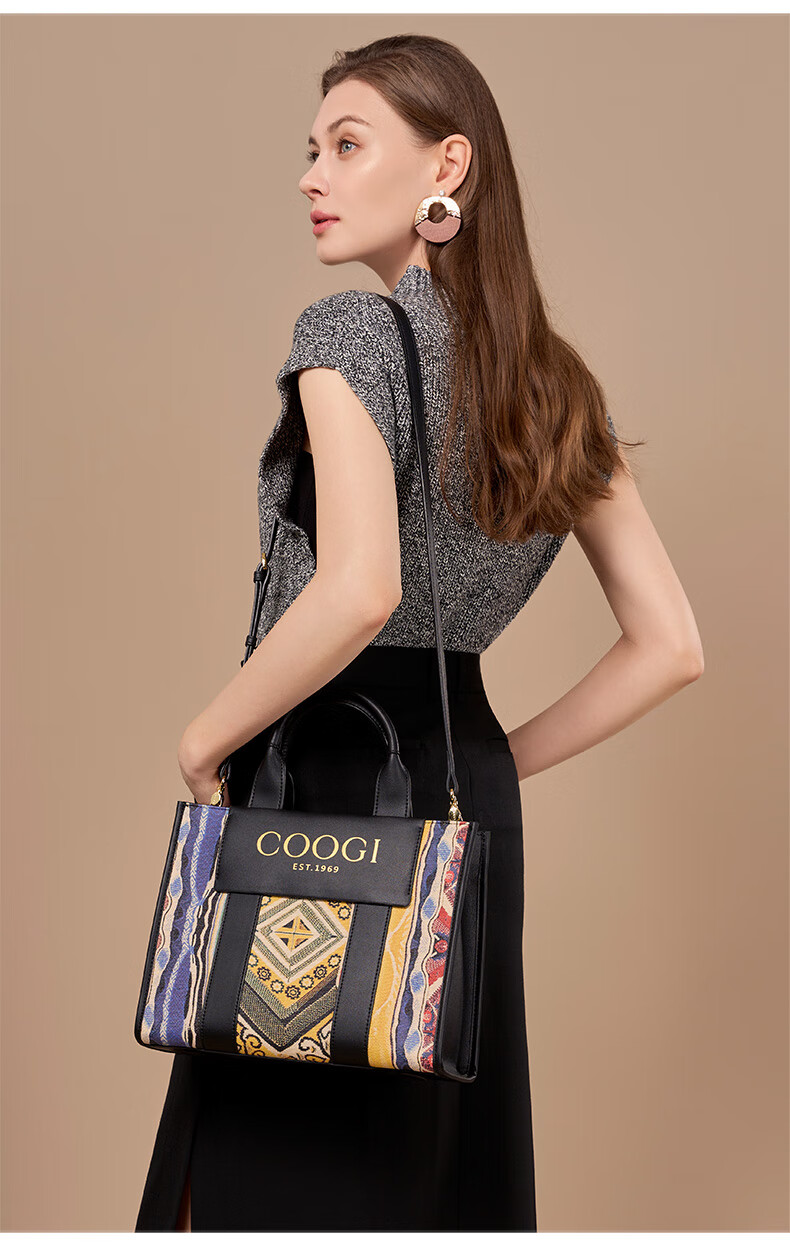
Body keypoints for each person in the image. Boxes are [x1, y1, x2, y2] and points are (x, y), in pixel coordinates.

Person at [134, 33, 704, 1233]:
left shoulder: (347, 332)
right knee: (432, 1168)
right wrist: (489, 764)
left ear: (448, 166)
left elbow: (358, 593)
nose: (311, 176)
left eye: (347, 146)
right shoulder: (557, 388)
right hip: (459, 785)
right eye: (311, 150)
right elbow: (669, 646)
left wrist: (202, 740)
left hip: (322, 774)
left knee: (265, 1163)